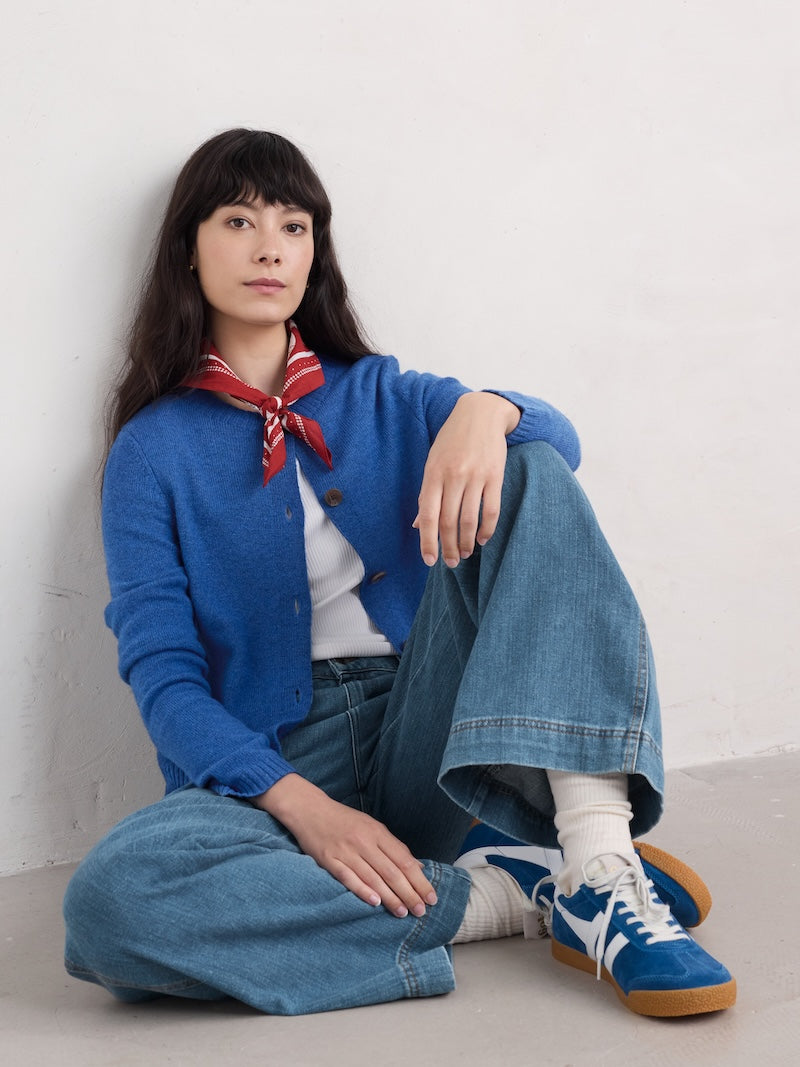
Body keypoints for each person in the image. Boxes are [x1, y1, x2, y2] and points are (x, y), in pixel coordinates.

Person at [63, 128, 735, 1018]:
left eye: (294, 226)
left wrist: (486, 412)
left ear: (315, 252)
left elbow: (559, 444)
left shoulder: (381, 393)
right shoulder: (151, 452)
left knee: (528, 465)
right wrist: (305, 808)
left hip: (425, 726)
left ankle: (601, 863)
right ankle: (510, 895)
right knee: (112, 900)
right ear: (188, 248)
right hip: (274, 765)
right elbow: (164, 678)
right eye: (238, 221)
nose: (270, 248)